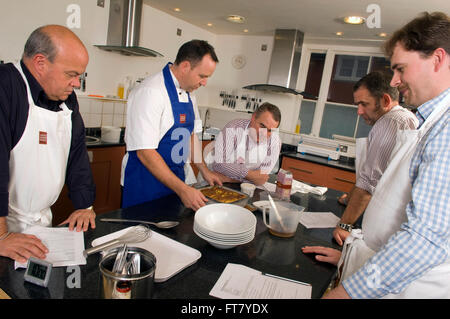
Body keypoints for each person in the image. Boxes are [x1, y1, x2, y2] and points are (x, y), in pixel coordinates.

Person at [304, 11, 450, 298]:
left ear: (437, 59)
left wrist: (344, 294)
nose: (394, 81)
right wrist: (353, 258)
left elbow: (425, 240)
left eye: (400, 69)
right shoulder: (428, 121)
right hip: (388, 276)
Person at [0, 25, 96, 263]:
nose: (76, 83)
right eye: (71, 74)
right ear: (40, 63)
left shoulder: (66, 99)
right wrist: (1, 237)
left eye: (79, 76)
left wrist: (85, 205)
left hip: (41, 225)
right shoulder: (5, 86)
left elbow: (77, 155)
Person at [122, 40, 222, 211]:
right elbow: (145, 152)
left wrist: (204, 170)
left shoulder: (190, 93)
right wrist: (183, 189)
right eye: (202, 76)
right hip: (146, 182)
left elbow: (190, 135)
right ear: (185, 66)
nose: (204, 83)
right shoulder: (151, 92)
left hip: (176, 179)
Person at [333, 71, 418, 245]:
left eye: (364, 104)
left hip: (384, 224)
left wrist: (344, 225)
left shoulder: (389, 122)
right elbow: (369, 172)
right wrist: (349, 198)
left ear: (385, 101)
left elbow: (368, 184)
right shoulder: (405, 117)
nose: (359, 111)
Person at [209, 102, 282, 186]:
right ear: (253, 117)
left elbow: (260, 179)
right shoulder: (233, 128)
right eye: (262, 126)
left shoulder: (275, 142)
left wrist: (227, 178)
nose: (264, 133)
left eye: (270, 131)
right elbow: (218, 165)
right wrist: (250, 175)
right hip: (212, 182)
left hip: (241, 187)